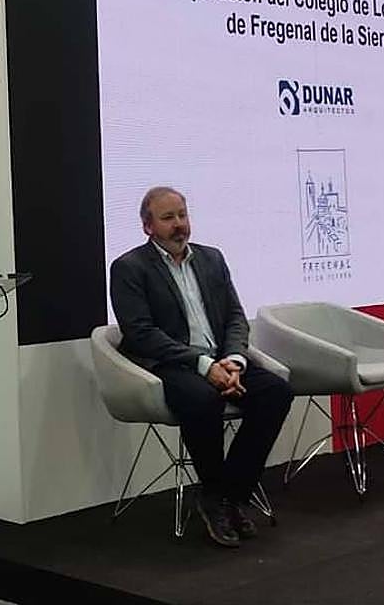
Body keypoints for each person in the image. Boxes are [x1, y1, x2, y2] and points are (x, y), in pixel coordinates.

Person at [110, 186, 292, 548]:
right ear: (147, 227)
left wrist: (235, 361)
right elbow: (141, 333)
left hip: (222, 359)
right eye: (167, 218)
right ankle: (217, 494)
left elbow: (236, 317)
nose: (179, 225)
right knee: (203, 398)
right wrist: (203, 364)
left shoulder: (211, 259)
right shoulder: (130, 268)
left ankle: (228, 496)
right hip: (170, 363)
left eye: (182, 215)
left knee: (277, 391)